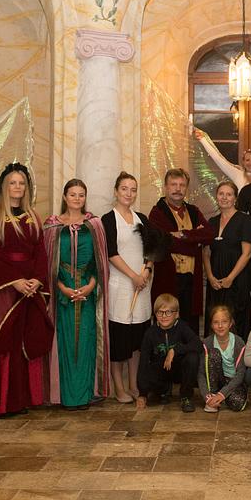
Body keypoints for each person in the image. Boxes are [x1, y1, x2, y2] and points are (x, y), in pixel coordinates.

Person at [0, 163, 52, 416]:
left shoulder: (33, 217)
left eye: (21, 183)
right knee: (6, 342)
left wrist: (37, 280)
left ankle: (24, 399)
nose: (18, 187)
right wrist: (14, 281)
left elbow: (40, 252)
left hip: (29, 290)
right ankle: (3, 401)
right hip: (7, 290)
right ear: (4, 186)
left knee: (26, 341)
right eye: (13, 183)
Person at [42, 179, 111, 411]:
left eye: (81, 195)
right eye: (73, 194)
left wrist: (91, 285)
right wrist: (61, 286)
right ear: (64, 197)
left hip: (88, 293)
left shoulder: (95, 225)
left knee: (86, 343)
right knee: (64, 342)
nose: (77, 199)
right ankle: (65, 396)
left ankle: (84, 395)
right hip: (61, 294)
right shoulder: (51, 226)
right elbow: (47, 262)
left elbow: (101, 261)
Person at [101, 171, 154, 403]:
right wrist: (133, 276)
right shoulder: (107, 219)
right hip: (120, 287)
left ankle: (133, 384)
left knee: (136, 342)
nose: (129, 194)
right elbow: (111, 253)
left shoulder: (142, 218)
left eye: (133, 190)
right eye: (124, 189)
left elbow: (152, 249)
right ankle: (119, 387)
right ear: (116, 191)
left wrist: (146, 272)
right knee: (120, 341)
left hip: (141, 287)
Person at [149, 168, 213, 332]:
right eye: (173, 184)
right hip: (168, 278)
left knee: (189, 328)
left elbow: (208, 235)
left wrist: (183, 234)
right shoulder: (157, 212)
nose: (178, 189)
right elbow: (163, 243)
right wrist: (195, 241)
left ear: (186, 188)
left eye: (182, 185)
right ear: (165, 187)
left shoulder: (193, 211)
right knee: (166, 324)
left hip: (191, 280)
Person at [203, 181, 251, 338]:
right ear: (216, 197)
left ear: (235, 198)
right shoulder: (212, 222)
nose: (224, 197)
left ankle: (238, 353)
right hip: (215, 281)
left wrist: (231, 278)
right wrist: (210, 276)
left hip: (236, 279)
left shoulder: (244, 220)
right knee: (215, 317)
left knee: (235, 319)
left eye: (229, 194)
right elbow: (206, 252)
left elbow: (247, 254)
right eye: (221, 194)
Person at [136, 293, 202, 412]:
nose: (164, 316)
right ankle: (163, 390)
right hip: (161, 370)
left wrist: (174, 350)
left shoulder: (182, 327)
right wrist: (142, 394)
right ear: (155, 314)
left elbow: (197, 344)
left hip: (179, 369)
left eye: (168, 312)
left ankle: (186, 397)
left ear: (176, 314)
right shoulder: (150, 333)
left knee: (193, 357)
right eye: (160, 312)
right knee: (148, 369)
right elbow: (143, 361)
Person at [198, 304, 248, 413]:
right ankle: (213, 397)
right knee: (214, 353)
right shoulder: (207, 343)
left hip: (233, 381)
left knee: (237, 404)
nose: (220, 326)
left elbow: (241, 372)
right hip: (215, 381)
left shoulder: (238, 342)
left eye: (224, 322)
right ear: (211, 325)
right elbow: (201, 373)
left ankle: (221, 397)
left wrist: (222, 394)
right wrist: (207, 397)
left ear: (230, 323)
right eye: (216, 322)